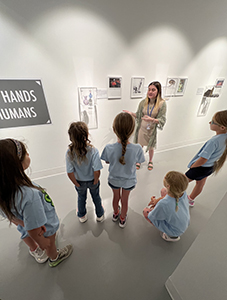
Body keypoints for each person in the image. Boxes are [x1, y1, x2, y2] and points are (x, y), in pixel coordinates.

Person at [0, 139, 73, 267]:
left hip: (22, 222)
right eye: (25, 153)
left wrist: (23, 223)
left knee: (25, 232)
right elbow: (33, 227)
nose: (28, 154)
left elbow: (9, 215)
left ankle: (35, 249)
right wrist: (42, 241)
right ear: (16, 164)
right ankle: (54, 257)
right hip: (44, 228)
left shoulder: (5, 189)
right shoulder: (29, 195)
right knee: (49, 243)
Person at [101, 112, 145, 228]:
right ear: (132, 130)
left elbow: (107, 161)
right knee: (125, 200)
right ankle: (122, 219)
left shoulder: (108, 148)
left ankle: (115, 214)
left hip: (114, 180)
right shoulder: (137, 148)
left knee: (116, 198)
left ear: (114, 130)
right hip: (129, 181)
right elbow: (139, 161)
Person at [185, 110, 227, 207]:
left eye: (212, 122)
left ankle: (170, 198)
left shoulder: (213, 141)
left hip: (200, 167)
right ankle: (190, 199)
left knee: (181, 181)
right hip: (210, 167)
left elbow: (203, 159)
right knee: (200, 183)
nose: (209, 123)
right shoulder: (224, 138)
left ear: (222, 127)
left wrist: (193, 166)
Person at [66, 121, 104, 223]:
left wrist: (75, 183)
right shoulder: (93, 150)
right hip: (92, 180)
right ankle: (100, 215)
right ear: (87, 135)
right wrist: (96, 180)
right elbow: (96, 170)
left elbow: (69, 172)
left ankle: (82, 216)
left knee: (81, 198)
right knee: (96, 198)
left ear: (71, 137)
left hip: (79, 181)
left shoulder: (69, 152)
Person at [123, 81, 166, 171]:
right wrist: (130, 113)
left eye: (153, 90)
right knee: (140, 145)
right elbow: (139, 115)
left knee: (151, 146)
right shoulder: (143, 102)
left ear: (158, 91)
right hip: (142, 128)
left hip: (152, 129)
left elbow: (162, 119)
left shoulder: (162, 103)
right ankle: (138, 160)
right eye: (149, 89)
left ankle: (150, 161)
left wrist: (152, 120)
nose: (150, 92)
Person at [143, 171, 190, 242]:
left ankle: (170, 236)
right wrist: (157, 200)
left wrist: (154, 207)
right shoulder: (183, 193)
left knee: (146, 211)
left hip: (174, 231)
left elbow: (152, 216)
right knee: (164, 191)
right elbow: (169, 199)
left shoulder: (163, 204)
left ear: (169, 186)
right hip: (183, 225)